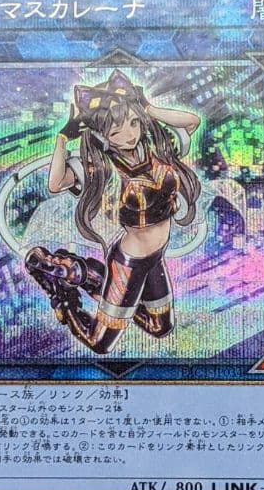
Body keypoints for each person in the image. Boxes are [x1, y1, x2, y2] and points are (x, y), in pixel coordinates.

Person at [25, 69, 201, 353]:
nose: (129, 135)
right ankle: (62, 289)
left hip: (155, 256)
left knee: (161, 327)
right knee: (99, 343)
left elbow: (193, 121)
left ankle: (81, 275)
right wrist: (62, 138)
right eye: (116, 131)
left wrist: (147, 108)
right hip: (129, 262)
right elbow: (56, 183)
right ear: (102, 136)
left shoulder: (159, 147)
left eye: (133, 123)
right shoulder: (100, 167)